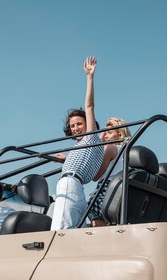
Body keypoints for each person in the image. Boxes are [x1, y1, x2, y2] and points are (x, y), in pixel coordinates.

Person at [50, 57, 116, 230]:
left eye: (79, 124)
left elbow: (90, 106)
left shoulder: (91, 138)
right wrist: (65, 159)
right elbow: (89, 167)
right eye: (72, 126)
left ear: (89, 125)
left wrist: (89, 77)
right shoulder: (85, 147)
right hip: (77, 186)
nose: (76, 128)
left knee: (60, 229)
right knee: (73, 228)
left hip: (71, 184)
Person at [87, 117, 131, 226]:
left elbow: (96, 176)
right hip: (121, 191)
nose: (105, 136)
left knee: (93, 210)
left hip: (107, 189)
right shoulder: (128, 152)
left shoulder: (111, 149)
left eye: (109, 133)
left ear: (120, 135)